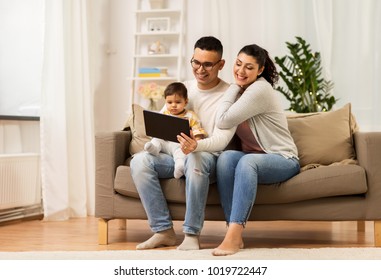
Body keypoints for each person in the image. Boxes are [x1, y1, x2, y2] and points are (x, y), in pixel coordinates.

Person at [130, 36, 236, 250]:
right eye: (196, 62)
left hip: (208, 157)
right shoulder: (182, 89)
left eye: (208, 64)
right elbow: (162, 120)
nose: (200, 69)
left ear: (221, 64)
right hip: (176, 155)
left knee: (195, 158)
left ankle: (191, 234)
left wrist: (196, 146)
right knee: (139, 161)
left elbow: (221, 139)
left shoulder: (229, 94)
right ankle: (163, 231)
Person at [212, 44, 300, 256]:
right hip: (255, 158)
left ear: (260, 70)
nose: (241, 71)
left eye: (249, 67)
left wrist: (233, 87)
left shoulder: (259, 89)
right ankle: (231, 231)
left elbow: (223, 120)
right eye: (238, 64)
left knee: (247, 161)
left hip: (283, 159)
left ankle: (233, 235)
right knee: (226, 159)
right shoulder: (245, 89)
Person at [144, 82, 207, 179]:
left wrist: (197, 141)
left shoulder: (190, 115)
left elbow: (197, 130)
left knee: (180, 152)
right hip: (164, 143)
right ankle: (154, 149)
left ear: (185, 102)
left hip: (178, 144)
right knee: (156, 139)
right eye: (169, 102)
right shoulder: (164, 114)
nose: (173, 105)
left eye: (178, 102)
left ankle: (179, 167)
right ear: (165, 102)